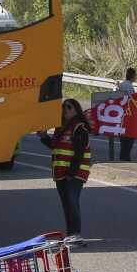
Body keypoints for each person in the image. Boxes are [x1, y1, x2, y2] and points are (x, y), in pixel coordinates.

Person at [40, 98, 93, 238]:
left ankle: (76, 233)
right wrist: (44, 137)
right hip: (61, 173)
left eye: (69, 107)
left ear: (76, 110)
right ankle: (71, 234)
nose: (65, 110)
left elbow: (79, 152)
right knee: (67, 204)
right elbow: (55, 146)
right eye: (63, 107)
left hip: (75, 173)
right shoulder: (61, 127)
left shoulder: (79, 128)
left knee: (72, 202)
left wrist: (71, 173)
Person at [111, 67, 137, 162]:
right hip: (128, 118)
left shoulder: (122, 85)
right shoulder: (129, 87)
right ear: (132, 76)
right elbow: (132, 101)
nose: (136, 77)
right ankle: (125, 161)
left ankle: (123, 160)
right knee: (128, 144)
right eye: (135, 75)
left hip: (121, 117)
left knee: (123, 143)